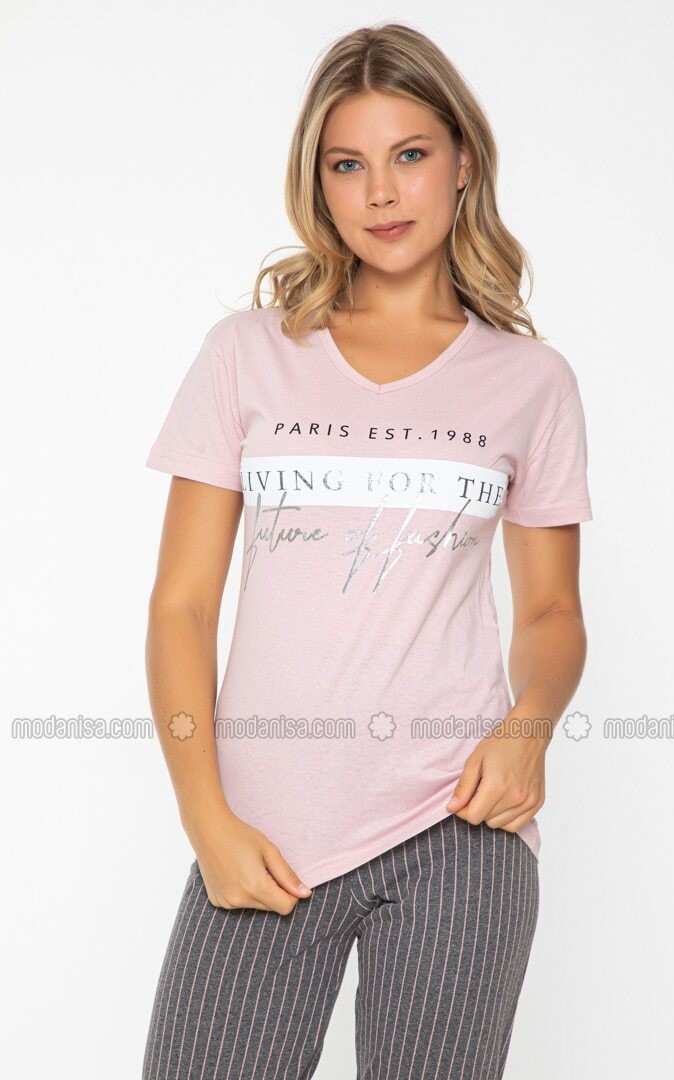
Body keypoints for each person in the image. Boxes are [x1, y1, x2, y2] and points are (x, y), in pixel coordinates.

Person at [140, 21, 592, 1080]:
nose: (381, 193)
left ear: (461, 162)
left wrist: (527, 732)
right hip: (261, 835)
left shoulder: (530, 382)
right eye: (347, 164)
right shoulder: (247, 355)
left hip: (456, 829)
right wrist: (204, 817)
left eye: (409, 155)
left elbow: (550, 612)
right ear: (319, 182)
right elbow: (180, 608)